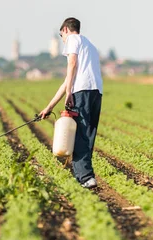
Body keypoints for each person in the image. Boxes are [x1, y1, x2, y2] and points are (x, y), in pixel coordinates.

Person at [39, 17, 103, 189]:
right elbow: (68, 80)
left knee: (78, 135)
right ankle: (84, 176)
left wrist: (69, 93)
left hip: (81, 92)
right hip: (96, 92)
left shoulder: (73, 39)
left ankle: (85, 177)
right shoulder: (89, 45)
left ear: (66, 29)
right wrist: (49, 107)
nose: (63, 40)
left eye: (61, 36)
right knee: (87, 134)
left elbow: (72, 64)